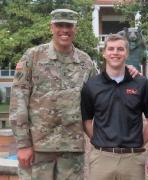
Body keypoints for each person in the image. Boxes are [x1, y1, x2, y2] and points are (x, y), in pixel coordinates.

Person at [9, 9, 97, 180]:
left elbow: (99, 95)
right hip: (38, 147)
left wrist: (128, 73)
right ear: (51, 27)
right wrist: (23, 144)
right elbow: (18, 100)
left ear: (75, 29)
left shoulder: (85, 62)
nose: (64, 30)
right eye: (59, 25)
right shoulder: (32, 56)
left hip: (72, 149)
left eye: (69, 25)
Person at [81, 34, 148, 180]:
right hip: (101, 158)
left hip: (132, 159)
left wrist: (138, 142)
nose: (115, 53)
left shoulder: (141, 84)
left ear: (127, 53)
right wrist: (100, 139)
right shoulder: (92, 85)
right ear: (104, 53)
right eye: (111, 49)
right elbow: (86, 121)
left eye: (120, 49)